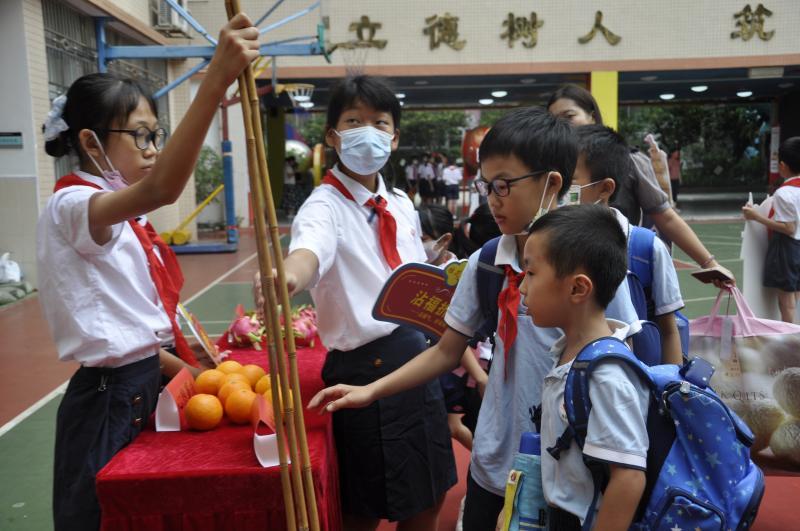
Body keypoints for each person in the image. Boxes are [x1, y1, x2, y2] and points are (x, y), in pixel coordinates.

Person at [308, 107, 640, 531]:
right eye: (487, 185)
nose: (493, 199)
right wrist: (370, 391)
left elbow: (620, 358)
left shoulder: (589, 265)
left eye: (505, 185)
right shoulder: (488, 262)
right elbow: (447, 349)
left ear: (551, 183)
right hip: (494, 465)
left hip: (569, 476)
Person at [36, 15, 260, 530]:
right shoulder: (73, 204)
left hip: (139, 384)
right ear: (91, 143)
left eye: (156, 135)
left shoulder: (117, 213)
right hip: (107, 399)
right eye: (141, 136)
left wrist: (188, 370)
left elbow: (128, 331)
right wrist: (215, 80)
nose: (154, 150)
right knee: (102, 519)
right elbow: (163, 187)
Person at [266, 75, 456, 531]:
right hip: (366, 368)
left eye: (379, 122)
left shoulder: (399, 203)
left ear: (394, 137)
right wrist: (287, 277)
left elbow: (399, 272)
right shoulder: (323, 206)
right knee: (362, 509)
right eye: (354, 121)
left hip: (419, 359)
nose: (367, 132)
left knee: (428, 499)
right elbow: (308, 253)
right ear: (333, 136)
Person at [520, 205, 649, 530]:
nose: (522, 287)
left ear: (578, 288)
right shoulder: (569, 355)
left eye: (531, 274)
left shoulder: (605, 375)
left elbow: (629, 477)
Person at [547, 84, 735, 286]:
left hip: (621, 276)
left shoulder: (630, 160)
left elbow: (665, 216)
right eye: (554, 121)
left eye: (569, 116)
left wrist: (709, 263)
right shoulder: (546, 168)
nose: (563, 126)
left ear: (591, 116)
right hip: (565, 277)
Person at [572, 125, 685, 365]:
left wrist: (668, 390)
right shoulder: (547, 244)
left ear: (605, 188)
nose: (560, 191)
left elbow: (669, 330)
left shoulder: (646, 248)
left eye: (570, 181)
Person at [418, 204, 488, 451]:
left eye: (423, 239)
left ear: (444, 239)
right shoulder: (413, 272)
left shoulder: (460, 275)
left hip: (457, 368)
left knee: (454, 426)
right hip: (434, 366)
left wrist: (479, 376)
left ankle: (486, 468)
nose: (418, 244)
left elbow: (458, 336)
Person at [743, 137, 800, 323]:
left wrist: (756, 216)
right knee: (795, 297)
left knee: (787, 303)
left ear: (782, 165)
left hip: (788, 248)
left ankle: (790, 345)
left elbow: (788, 228)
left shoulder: (784, 193)